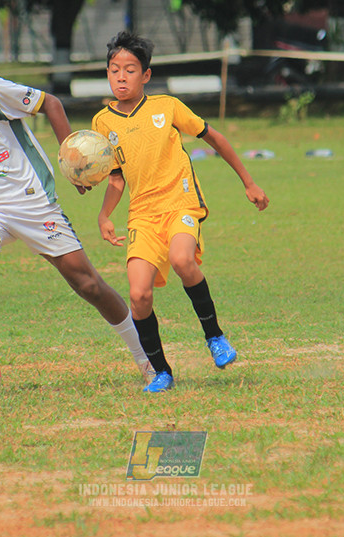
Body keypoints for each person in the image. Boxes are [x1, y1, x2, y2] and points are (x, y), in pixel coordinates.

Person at [0, 21, 151, 389]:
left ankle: (148, 359)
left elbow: (50, 103)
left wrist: (72, 157)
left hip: (32, 201)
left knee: (88, 285)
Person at [92, 31, 270, 393]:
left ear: (146, 76)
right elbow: (115, 177)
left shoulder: (167, 107)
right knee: (139, 295)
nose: (121, 77)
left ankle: (215, 337)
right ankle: (161, 371)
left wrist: (248, 182)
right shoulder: (102, 123)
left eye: (130, 70)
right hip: (142, 214)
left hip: (180, 202)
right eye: (114, 70)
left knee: (182, 260)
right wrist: (105, 215)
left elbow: (214, 137)